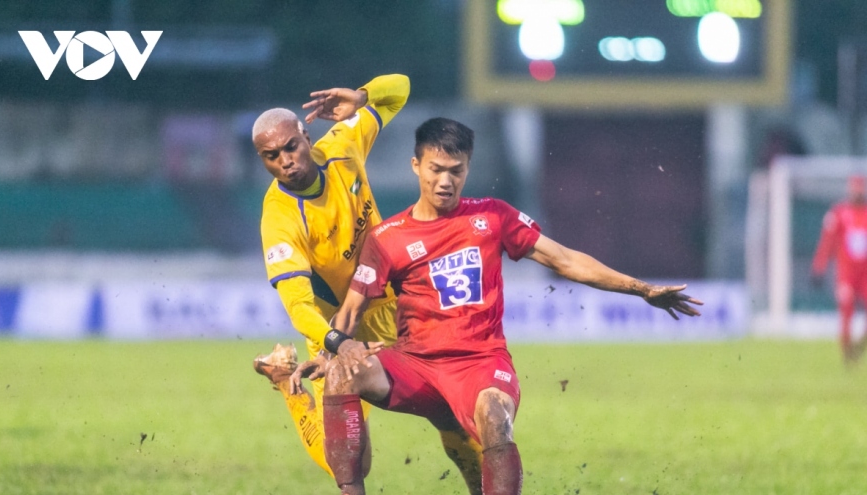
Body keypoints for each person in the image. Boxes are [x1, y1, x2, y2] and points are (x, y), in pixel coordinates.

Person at [292, 117, 703, 495]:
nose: (445, 181)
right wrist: (333, 350)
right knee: (343, 377)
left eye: (457, 171)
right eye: (436, 169)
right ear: (416, 165)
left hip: (479, 364)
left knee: (493, 416)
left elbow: (566, 259)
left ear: (467, 169)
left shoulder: (492, 217)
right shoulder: (388, 237)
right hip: (416, 366)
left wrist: (641, 289)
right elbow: (350, 313)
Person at [251, 76, 484, 492]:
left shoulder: (342, 146)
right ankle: (286, 384)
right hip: (339, 327)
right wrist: (340, 342)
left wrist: (364, 96)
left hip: (400, 305)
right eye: (272, 156)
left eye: (291, 146)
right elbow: (299, 304)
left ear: (307, 136)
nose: (285, 160)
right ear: (263, 161)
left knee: (455, 411)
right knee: (352, 461)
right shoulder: (279, 219)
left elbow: (402, 88)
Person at [811, 175, 867, 363]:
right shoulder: (839, 213)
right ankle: (847, 354)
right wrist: (819, 266)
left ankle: (860, 345)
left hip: (865, 273)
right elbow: (827, 242)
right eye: (855, 188)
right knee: (846, 310)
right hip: (847, 274)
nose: (857, 192)